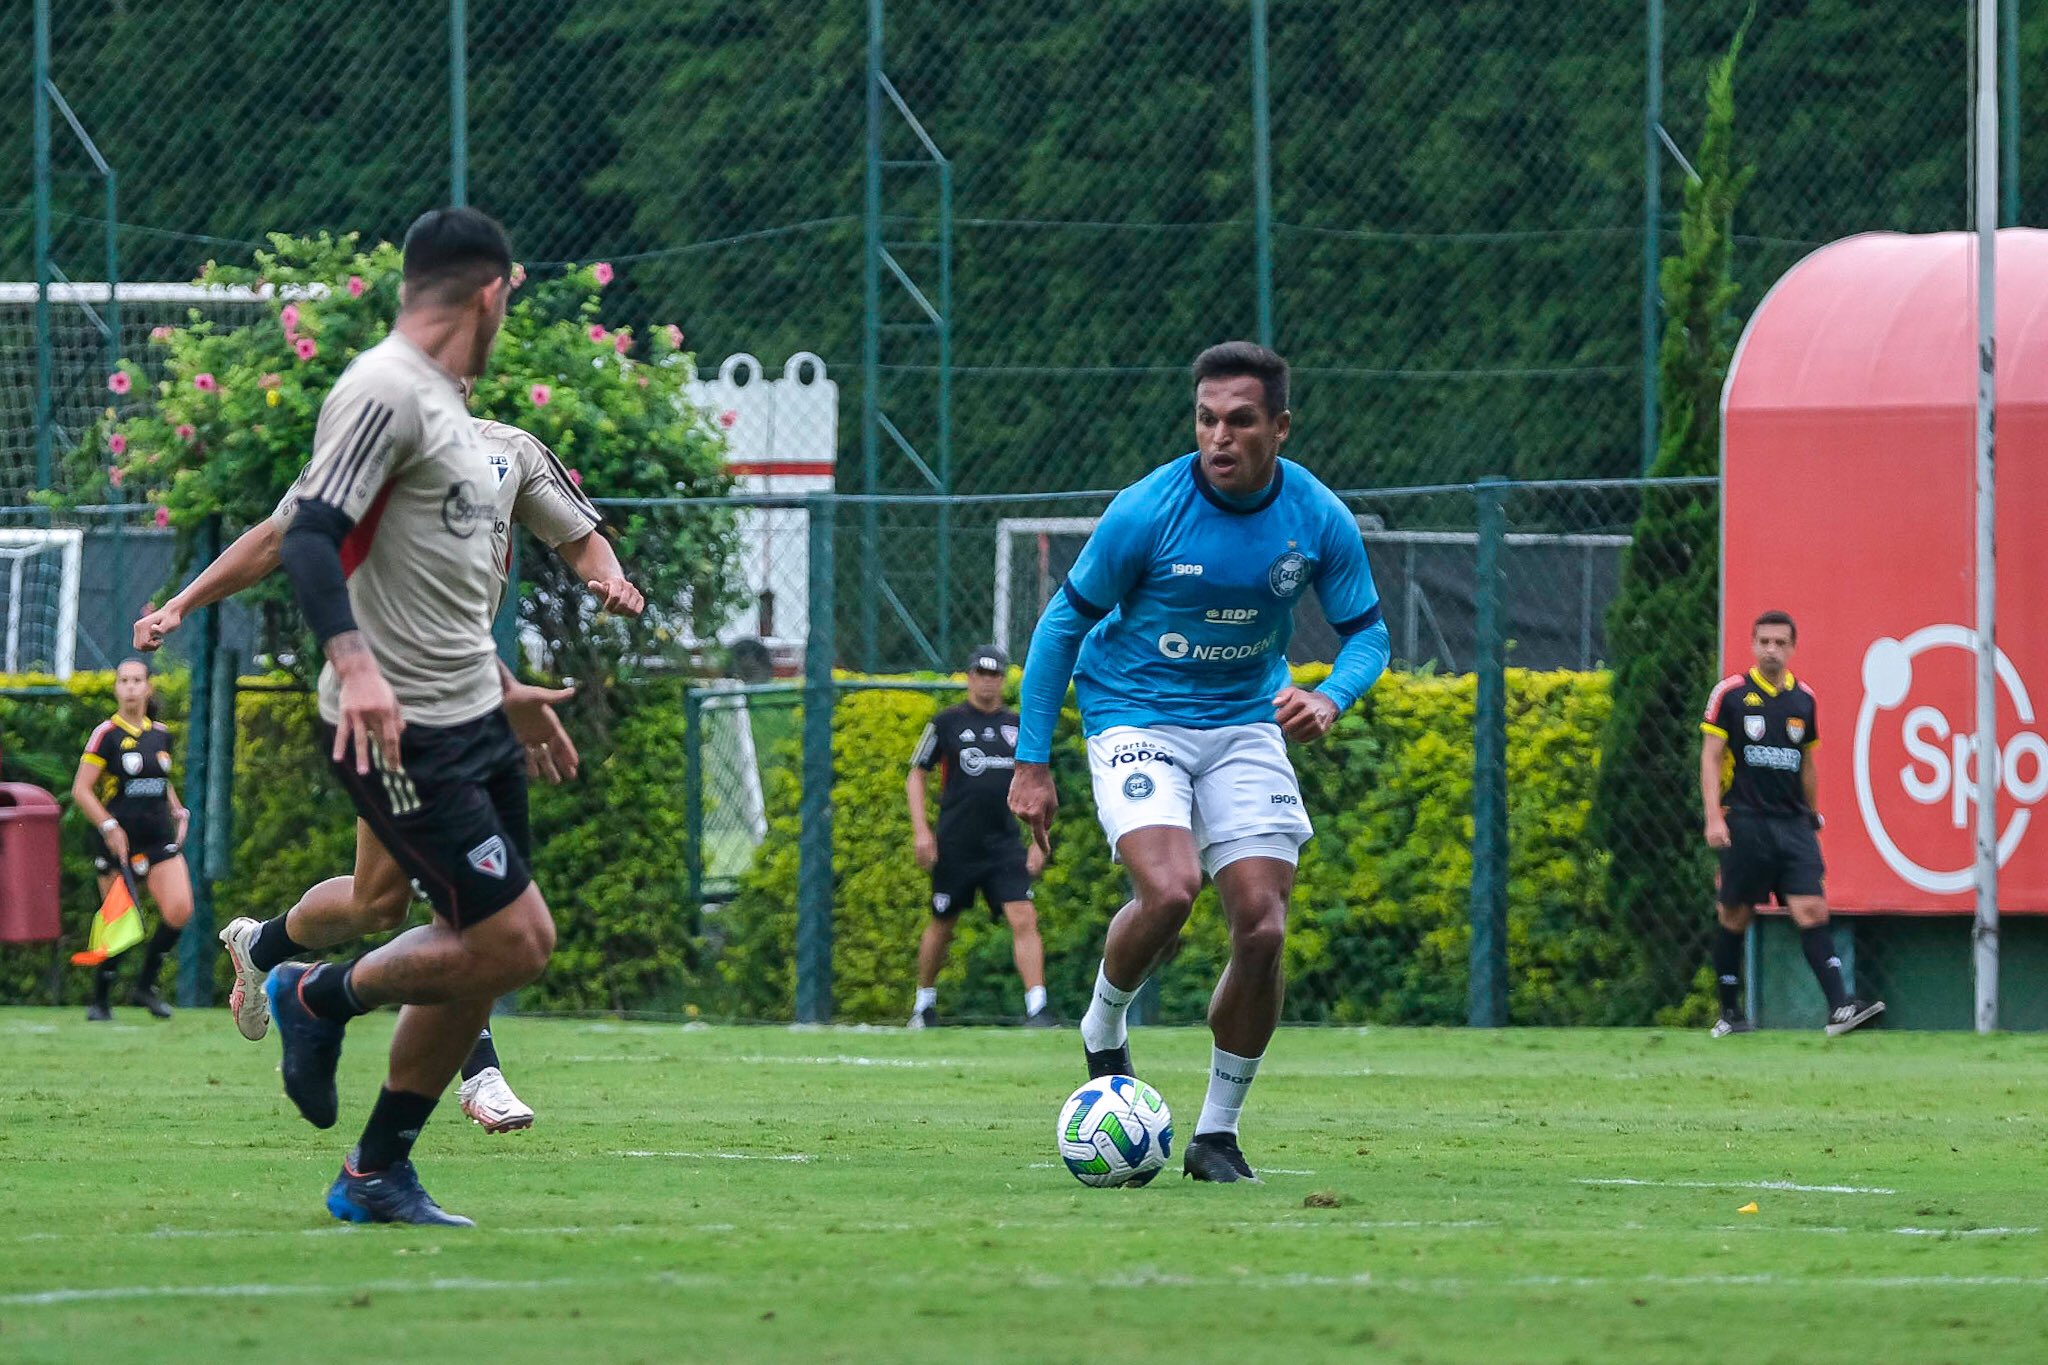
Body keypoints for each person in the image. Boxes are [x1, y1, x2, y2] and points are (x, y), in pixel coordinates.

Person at [265, 205, 639, 1227]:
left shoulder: (452, 415)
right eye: (508, 301)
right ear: (490, 292)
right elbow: (306, 541)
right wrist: (360, 669)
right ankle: (312, 996)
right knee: (513, 941)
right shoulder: (384, 391)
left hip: (469, 714)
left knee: (480, 951)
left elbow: (433, 590)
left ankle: (376, 1174)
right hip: (399, 727)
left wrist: (508, 696)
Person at [135, 379, 633, 1133]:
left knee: (378, 902)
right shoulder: (365, 452)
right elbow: (276, 538)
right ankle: (479, 1072)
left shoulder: (509, 452)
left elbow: (576, 535)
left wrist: (610, 576)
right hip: (384, 697)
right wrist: (180, 602)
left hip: (464, 695)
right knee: (468, 898)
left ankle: (261, 944)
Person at [1009, 341, 1389, 1183]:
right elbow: (1060, 627)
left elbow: (1368, 631)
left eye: (1241, 421)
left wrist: (1331, 696)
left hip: (1247, 722)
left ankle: (1217, 1134)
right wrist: (1032, 763)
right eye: (1207, 419)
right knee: (1173, 888)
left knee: (1263, 926)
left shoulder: (1318, 516)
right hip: (1135, 714)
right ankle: (1103, 1026)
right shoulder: (1147, 509)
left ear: (1280, 428)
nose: (1220, 437)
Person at [1700, 610, 1883, 1038]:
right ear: (1752, 644)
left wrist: (1812, 814)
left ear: (1792, 648)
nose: (1771, 651)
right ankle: (1730, 1013)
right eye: (1764, 642)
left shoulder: (1804, 699)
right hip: (1744, 821)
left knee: (1812, 909)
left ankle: (1839, 1008)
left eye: (1780, 643)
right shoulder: (1730, 694)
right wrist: (1713, 817)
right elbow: (1710, 756)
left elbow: (1807, 764)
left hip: (1793, 825)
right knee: (1734, 915)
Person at [905, 644, 1053, 1028]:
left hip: (1004, 843)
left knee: (1024, 916)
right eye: (981, 674)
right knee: (943, 920)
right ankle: (924, 1005)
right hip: (956, 843)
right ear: (969, 677)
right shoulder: (946, 723)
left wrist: (1038, 843)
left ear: (1004, 680)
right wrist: (922, 831)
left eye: (995, 675)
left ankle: (1038, 1007)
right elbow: (916, 773)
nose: (988, 682)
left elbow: (1040, 785)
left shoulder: (1019, 726)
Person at [68, 659, 192, 1021]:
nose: (131, 687)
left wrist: (176, 808)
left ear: (148, 687)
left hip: (158, 838)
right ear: (116, 688)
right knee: (121, 920)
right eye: (124, 680)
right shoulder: (106, 734)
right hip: (118, 841)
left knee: (180, 910)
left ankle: (145, 986)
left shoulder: (161, 734)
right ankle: (101, 1000)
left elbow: (160, 780)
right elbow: (82, 790)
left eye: (138, 680)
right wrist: (109, 827)